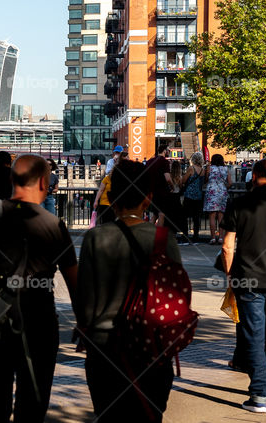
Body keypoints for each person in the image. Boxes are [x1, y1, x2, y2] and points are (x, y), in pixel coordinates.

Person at [0, 155, 78, 422]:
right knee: (32, 408)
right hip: (39, 325)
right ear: (43, 182)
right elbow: (75, 282)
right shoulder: (53, 225)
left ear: (12, 179)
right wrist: (85, 322)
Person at [77, 159, 181, 421]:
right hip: (151, 349)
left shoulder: (95, 238)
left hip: (105, 349)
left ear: (110, 197)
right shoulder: (163, 239)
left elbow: (85, 297)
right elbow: (176, 296)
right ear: (148, 199)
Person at [222, 159, 266, 413]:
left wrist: (231, 278)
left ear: (253, 177)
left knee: (253, 336)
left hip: (248, 278)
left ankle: (259, 394)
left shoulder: (239, 204)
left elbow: (227, 246)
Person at [204, 153, 232, 244]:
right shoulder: (226, 169)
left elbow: (206, 180)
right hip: (222, 193)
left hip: (211, 192)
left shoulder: (209, 168)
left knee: (212, 216)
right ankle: (220, 238)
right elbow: (230, 183)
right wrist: (224, 188)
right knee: (221, 216)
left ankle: (212, 238)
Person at [92, 151, 126, 225]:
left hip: (115, 205)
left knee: (113, 224)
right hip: (105, 204)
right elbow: (100, 190)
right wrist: (96, 201)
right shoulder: (107, 178)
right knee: (106, 223)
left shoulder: (121, 180)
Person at [180, 152, 206, 243]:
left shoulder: (191, 168)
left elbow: (183, 180)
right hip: (198, 196)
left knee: (184, 216)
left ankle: (185, 236)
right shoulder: (203, 170)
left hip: (189, 195)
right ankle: (196, 236)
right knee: (196, 218)